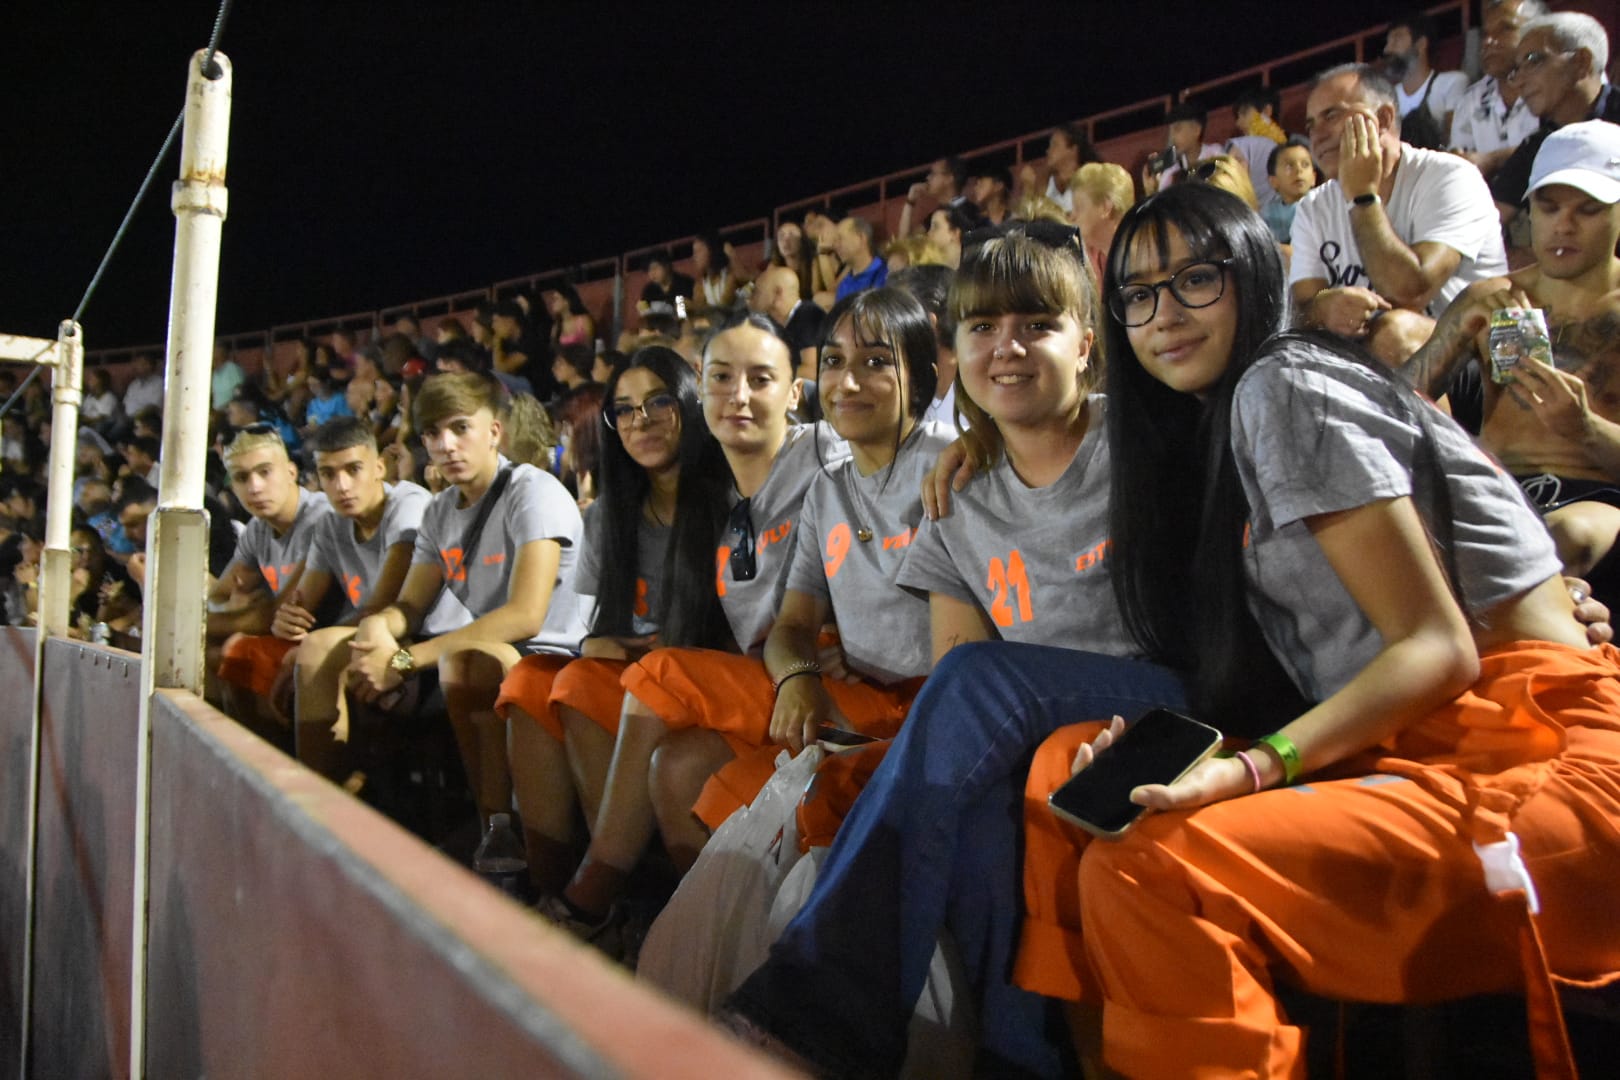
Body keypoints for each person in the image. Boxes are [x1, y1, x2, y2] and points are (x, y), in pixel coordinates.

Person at [1006, 179, 1620, 1080]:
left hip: (1529, 753)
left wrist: (1250, 768)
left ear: (1253, 276)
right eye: (1136, 295)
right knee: (1069, 776)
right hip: (1421, 743)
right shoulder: (1213, 433)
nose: (1163, 316)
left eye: (1193, 281)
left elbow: (1438, 647)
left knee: (1146, 868)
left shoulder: (1282, 383)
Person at [725, 231, 1147, 1078]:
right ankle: (1018, 1056)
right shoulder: (955, 492)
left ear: (1088, 344)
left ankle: (828, 999)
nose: (1008, 347)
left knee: (981, 689)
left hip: (1169, 704)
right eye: (984, 327)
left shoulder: (1138, 442)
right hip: (1035, 714)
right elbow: (953, 665)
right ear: (956, 355)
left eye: (1036, 325)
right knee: (987, 824)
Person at [535, 313, 846, 940]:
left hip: (820, 681)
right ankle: (692, 937)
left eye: (760, 379)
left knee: (657, 674)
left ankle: (592, 891)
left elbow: (909, 448)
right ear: (702, 392)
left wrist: (826, 651)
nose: (738, 395)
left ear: (794, 392)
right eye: (722, 379)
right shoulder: (726, 502)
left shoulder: (822, 451)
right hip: (759, 675)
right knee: (568, 694)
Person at [497, 346, 734, 898]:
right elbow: (601, 631)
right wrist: (618, 648)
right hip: (642, 678)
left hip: (704, 682)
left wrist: (625, 650)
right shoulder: (611, 514)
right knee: (529, 680)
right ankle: (550, 887)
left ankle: (600, 896)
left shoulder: (729, 499)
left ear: (690, 404)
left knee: (579, 681)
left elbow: (732, 639)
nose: (640, 420)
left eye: (658, 402)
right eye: (623, 410)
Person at [346, 372, 587, 826]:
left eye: (460, 428)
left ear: (494, 431)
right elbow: (412, 605)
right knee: (345, 656)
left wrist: (400, 661)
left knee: (468, 663)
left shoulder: (532, 492)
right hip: (487, 652)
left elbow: (525, 616)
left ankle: (499, 834)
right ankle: (361, 809)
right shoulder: (439, 511)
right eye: (434, 434)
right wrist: (380, 627)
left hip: (559, 654)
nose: (447, 445)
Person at [1402, 121, 1620, 599]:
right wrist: (1458, 331)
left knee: (1562, 537)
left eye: (1588, 210)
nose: (1563, 225)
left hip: (1596, 498)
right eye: (1548, 207)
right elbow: (1394, 407)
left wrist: (1584, 427)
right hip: (1497, 488)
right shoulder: (1493, 297)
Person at [1290, 63, 1508, 363]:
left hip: (1481, 355)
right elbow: (1300, 308)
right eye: (1311, 124)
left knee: (1393, 333)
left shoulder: (1451, 176)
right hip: (1374, 362)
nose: (1317, 136)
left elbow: (1411, 293)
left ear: (1383, 118)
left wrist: (1362, 197)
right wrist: (1323, 309)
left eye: (1332, 115)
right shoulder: (1313, 206)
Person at [281, 417, 433, 782]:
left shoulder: (410, 503)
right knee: (268, 655)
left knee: (316, 650)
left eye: (353, 470)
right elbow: (301, 603)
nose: (342, 485)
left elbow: (382, 605)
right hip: (375, 640)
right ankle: (336, 784)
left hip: (419, 648)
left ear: (380, 466)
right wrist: (284, 620)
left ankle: (319, 799)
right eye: (328, 474)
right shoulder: (329, 525)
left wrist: (302, 648)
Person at [208, 425, 334, 723]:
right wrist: (230, 609)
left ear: (291, 472)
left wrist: (199, 624)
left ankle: (269, 758)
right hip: (292, 639)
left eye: (265, 472)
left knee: (236, 650)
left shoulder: (323, 518)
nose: (254, 487)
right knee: (205, 651)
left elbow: (272, 615)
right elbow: (217, 595)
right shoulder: (258, 528)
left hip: (330, 639)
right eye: (242, 478)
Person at [1491, 12, 1619, 227]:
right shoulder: (1542, 143)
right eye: (1517, 70)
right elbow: (1487, 225)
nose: (1519, 81)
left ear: (1581, 62)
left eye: (1533, 60)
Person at [1450, 0, 1545, 179]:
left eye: (1505, 29)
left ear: (1539, 33)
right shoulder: (1471, 100)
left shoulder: (1564, 81)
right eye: (1485, 33)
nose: (1488, 41)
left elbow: (1573, 146)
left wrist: (1493, 159)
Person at [1381, 9, 1470, 148]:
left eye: (1397, 38)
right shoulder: (1386, 97)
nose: (1387, 49)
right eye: (1387, 42)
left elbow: (1454, 143)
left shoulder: (1452, 83)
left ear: (1421, 44)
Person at [1069, 162, 1134, 282]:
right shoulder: (1092, 259)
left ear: (1105, 207)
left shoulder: (1143, 257)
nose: (1072, 217)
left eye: (1078, 207)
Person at [1142, 101, 1222, 195]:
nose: (1171, 137)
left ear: (1196, 130)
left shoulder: (1216, 156)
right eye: (1170, 131)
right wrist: (1151, 190)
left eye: (1177, 129)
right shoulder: (1171, 172)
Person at [1262, 137, 1318, 248]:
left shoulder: (1319, 208)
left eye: (1305, 164)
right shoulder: (1268, 214)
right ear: (1273, 181)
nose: (1298, 170)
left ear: (1313, 178)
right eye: (1289, 166)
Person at [833, 215, 887, 302]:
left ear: (861, 238)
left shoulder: (886, 273)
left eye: (841, 238)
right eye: (835, 240)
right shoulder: (844, 285)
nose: (836, 246)